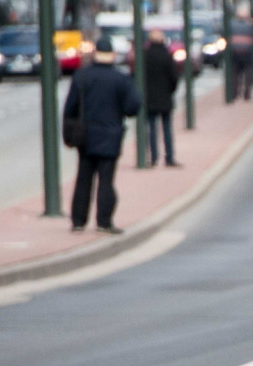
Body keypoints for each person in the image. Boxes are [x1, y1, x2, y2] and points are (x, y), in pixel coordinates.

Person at [64, 37, 141, 234]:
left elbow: (70, 108)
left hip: (85, 135)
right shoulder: (121, 78)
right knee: (106, 180)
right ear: (113, 56)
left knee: (83, 178)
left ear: (95, 54)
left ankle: (78, 221)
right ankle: (104, 221)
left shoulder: (81, 76)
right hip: (110, 135)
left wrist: (70, 132)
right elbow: (133, 107)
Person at [144, 29, 180, 168]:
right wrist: (170, 91)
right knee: (167, 128)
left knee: (151, 129)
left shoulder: (145, 55)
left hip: (150, 98)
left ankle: (153, 158)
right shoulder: (167, 56)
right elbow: (174, 77)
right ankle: (169, 158)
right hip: (165, 97)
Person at [229, 3, 253, 100]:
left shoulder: (231, 25)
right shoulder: (250, 25)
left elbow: (223, 33)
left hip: (234, 53)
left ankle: (234, 94)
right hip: (248, 54)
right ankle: (247, 94)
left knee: (234, 75)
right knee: (248, 75)